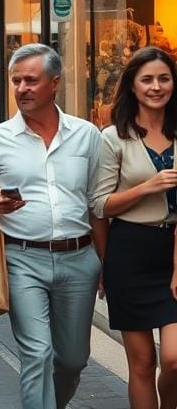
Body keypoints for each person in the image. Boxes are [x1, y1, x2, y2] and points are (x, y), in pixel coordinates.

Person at [0, 43, 102, 409]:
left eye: (31, 80)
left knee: (72, 360)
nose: (22, 88)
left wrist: (105, 262)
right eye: (16, 81)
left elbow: (97, 203)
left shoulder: (87, 135)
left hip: (80, 259)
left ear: (54, 83)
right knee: (37, 353)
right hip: (21, 257)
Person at [90, 46, 177, 409]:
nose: (156, 87)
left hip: (173, 248)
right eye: (147, 80)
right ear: (133, 86)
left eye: (164, 78)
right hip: (129, 251)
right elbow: (99, 205)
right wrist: (148, 187)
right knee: (142, 364)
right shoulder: (114, 136)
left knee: (174, 359)